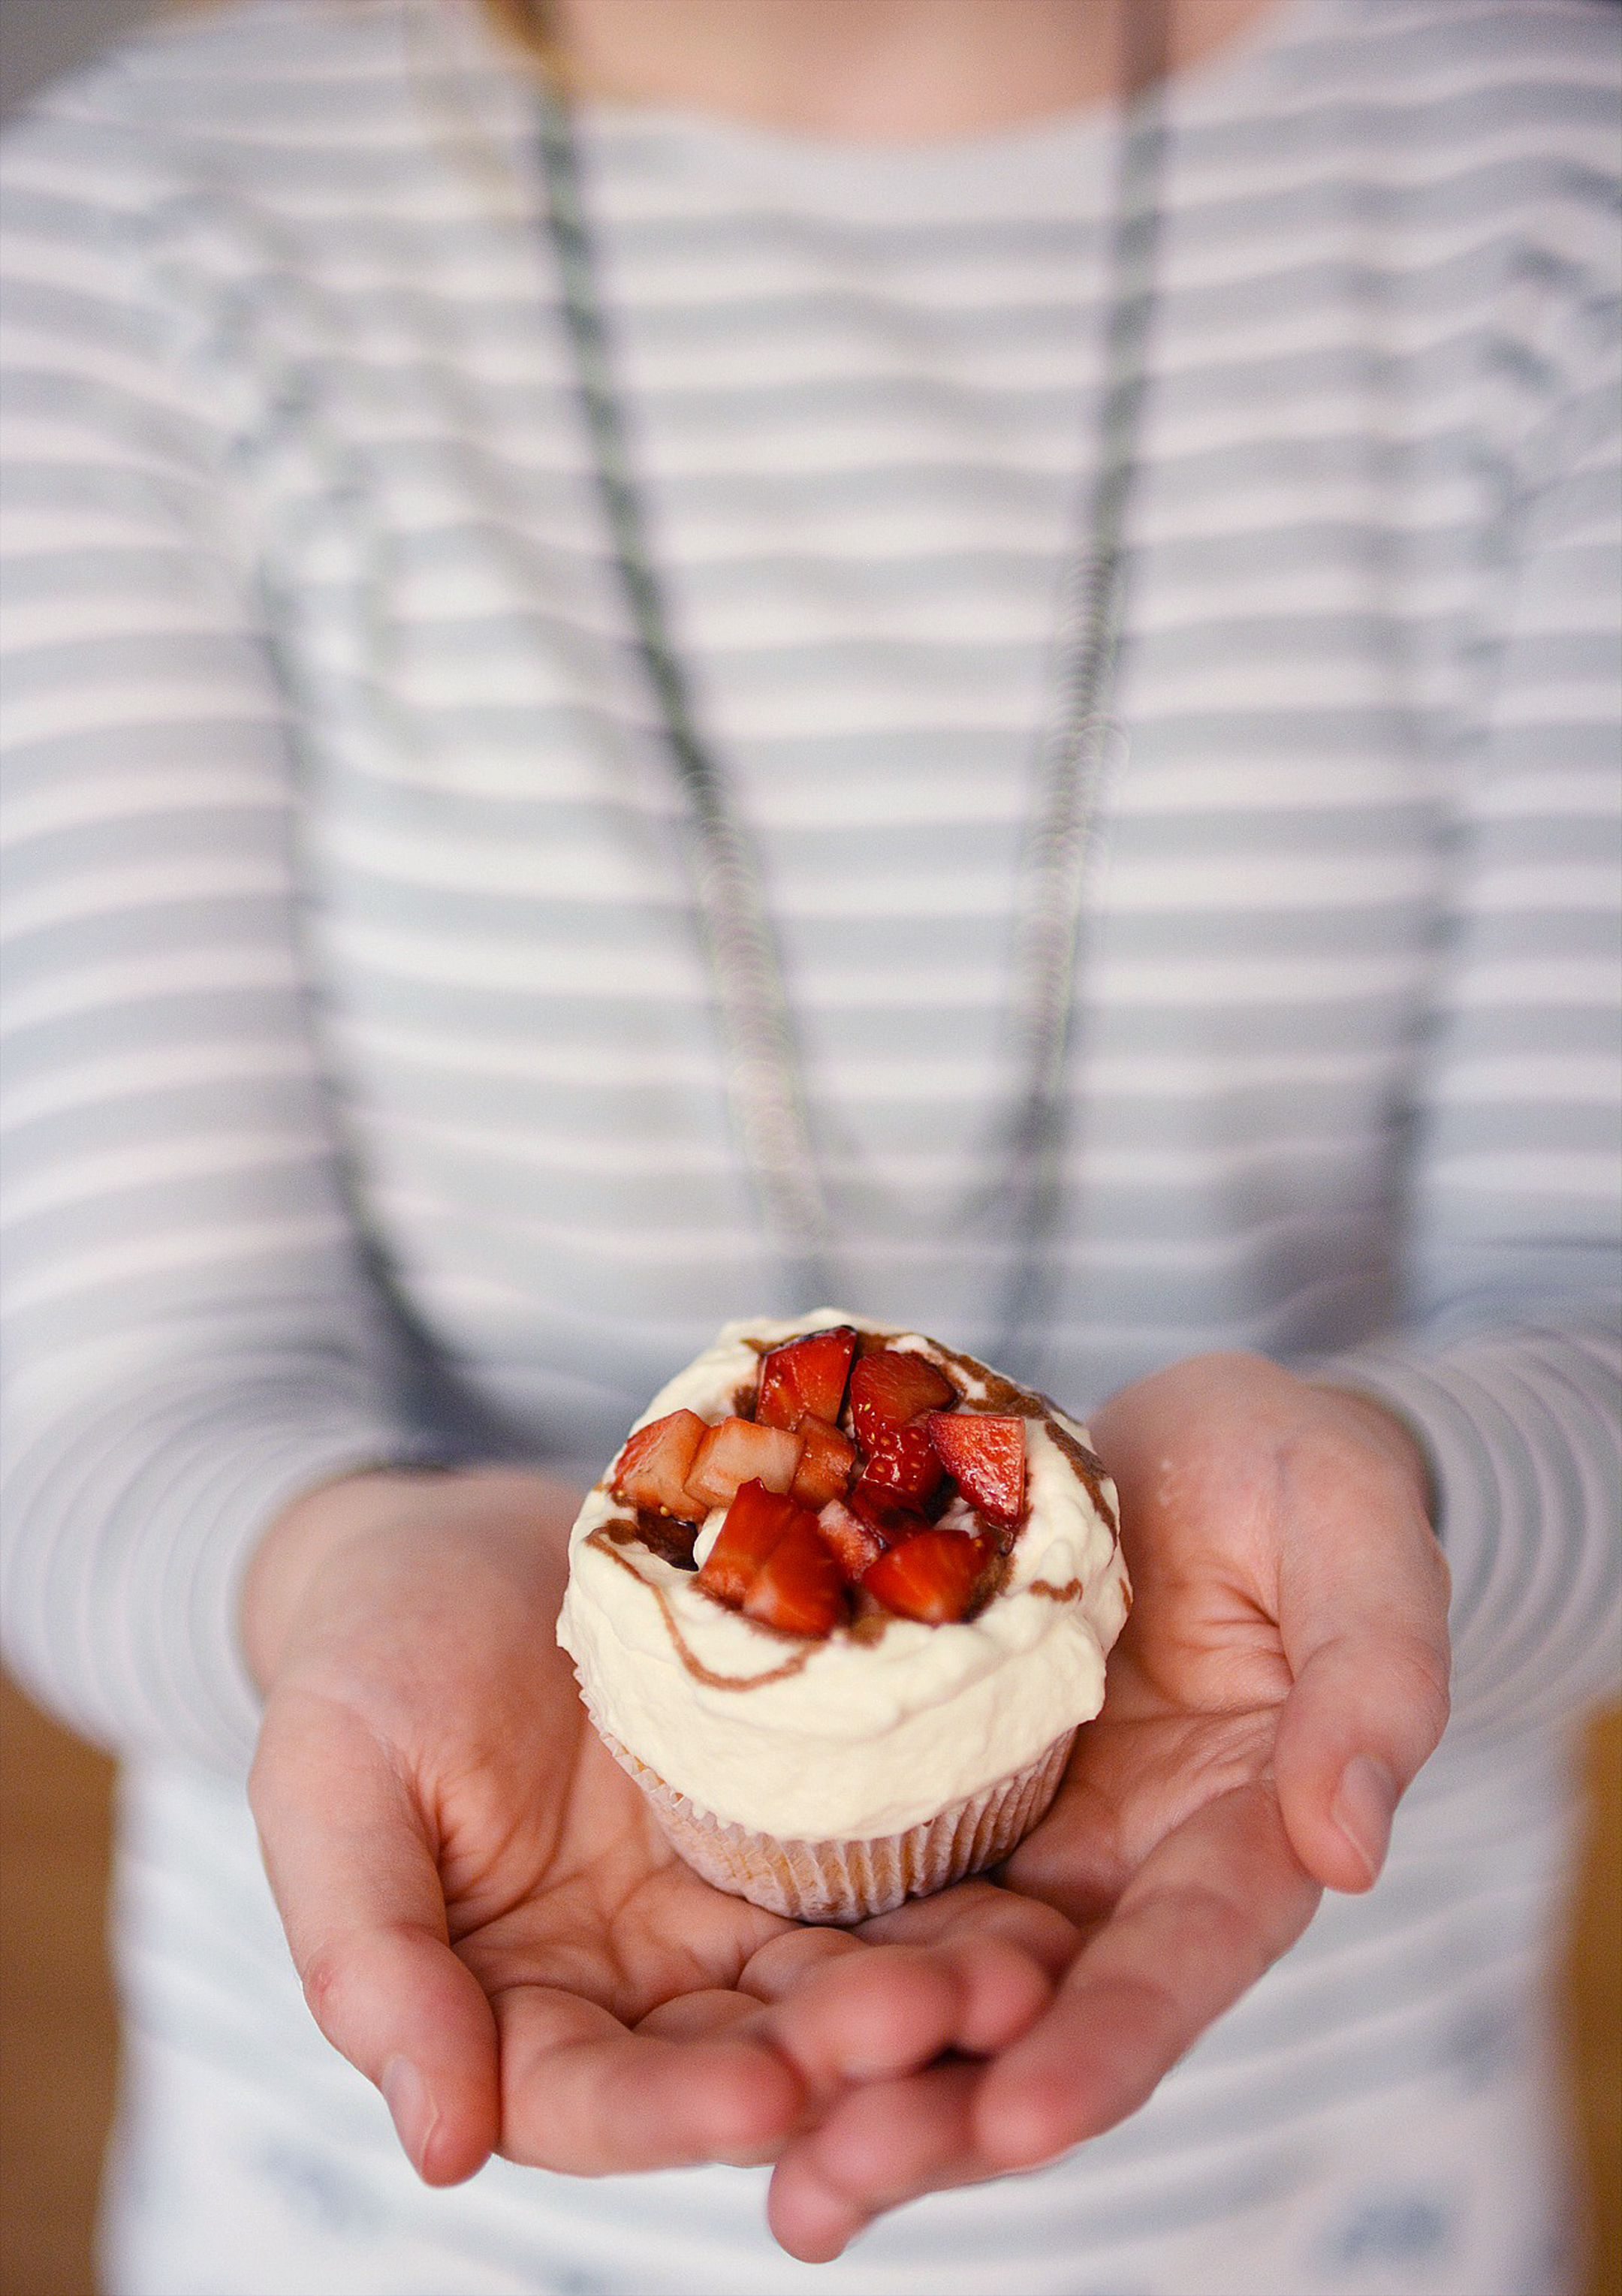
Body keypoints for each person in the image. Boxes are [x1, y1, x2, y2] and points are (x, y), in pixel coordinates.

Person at [1, 1, 1617, 2291]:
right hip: (379, 2212)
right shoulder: (128, 243)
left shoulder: (1558, 192)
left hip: (1324, 2194)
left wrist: (1394, 1503)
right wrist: (322, 1581)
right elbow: (90, 1429)